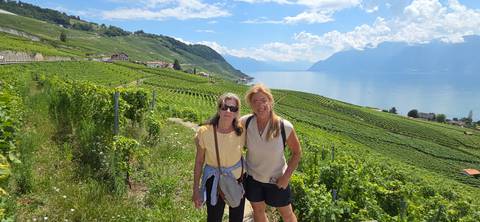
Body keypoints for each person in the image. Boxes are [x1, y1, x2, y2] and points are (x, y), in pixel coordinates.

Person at [241, 84, 302, 222]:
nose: (260, 105)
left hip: (276, 180)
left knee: (287, 214)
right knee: (258, 210)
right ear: (251, 105)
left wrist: (286, 177)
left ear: (270, 101)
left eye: (263, 100)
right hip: (253, 178)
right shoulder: (246, 122)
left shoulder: (284, 126)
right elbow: (227, 129)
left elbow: (297, 153)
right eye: (255, 101)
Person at [192, 92, 246, 222]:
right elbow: (199, 162)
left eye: (233, 108)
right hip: (214, 181)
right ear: (219, 109)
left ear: (237, 112)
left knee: (237, 218)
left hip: (237, 180)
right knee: (214, 218)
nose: (228, 111)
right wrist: (196, 190)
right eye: (224, 107)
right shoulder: (205, 132)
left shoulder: (242, 130)